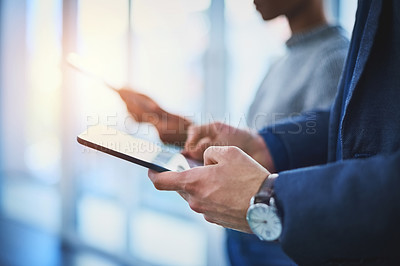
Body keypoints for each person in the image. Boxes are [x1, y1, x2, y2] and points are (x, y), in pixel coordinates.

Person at [147, 0, 400, 264]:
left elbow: (335, 162)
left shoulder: (333, 60)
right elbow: (263, 145)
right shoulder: (281, 61)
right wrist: (188, 134)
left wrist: (266, 191)